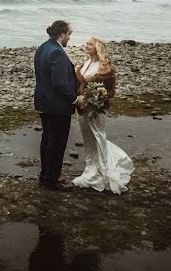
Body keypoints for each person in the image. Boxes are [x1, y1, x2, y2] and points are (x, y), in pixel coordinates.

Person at [71, 37, 134, 193]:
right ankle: (91, 169)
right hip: (83, 108)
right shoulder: (85, 64)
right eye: (86, 43)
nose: (86, 45)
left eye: (90, 44)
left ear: (98, 47)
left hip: (97, 110)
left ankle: (102, 172)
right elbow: (79, 85)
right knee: (87, 138)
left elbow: (111, 91)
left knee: (98, 136)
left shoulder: (106, 68)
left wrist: (99, 100)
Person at [33, 20, 83, 190]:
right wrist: (75, 100)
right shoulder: (57, 53)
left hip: (43, 102)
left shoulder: (42, 47)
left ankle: (45, 176)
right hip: (56, 106)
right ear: (61, 34)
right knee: (57, 143)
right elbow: (60, 83)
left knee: (47, 139)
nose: (69, 37)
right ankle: (51, 180)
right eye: (69, 34)